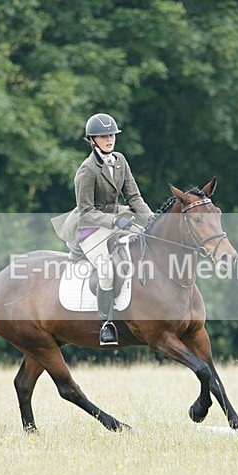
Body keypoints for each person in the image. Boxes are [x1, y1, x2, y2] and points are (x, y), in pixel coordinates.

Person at [52, 113, 154, 346]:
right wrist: (114, 222)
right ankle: (106, 324)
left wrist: (151, 220)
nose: (109, 140)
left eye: (111, 135)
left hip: (115, 220)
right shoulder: (87, 170)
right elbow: (86, 211)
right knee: (107, 270)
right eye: (103, 136)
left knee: (145, 245)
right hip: (89, 228)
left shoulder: (120, 160)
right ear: (92, 140)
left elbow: (134, 196)